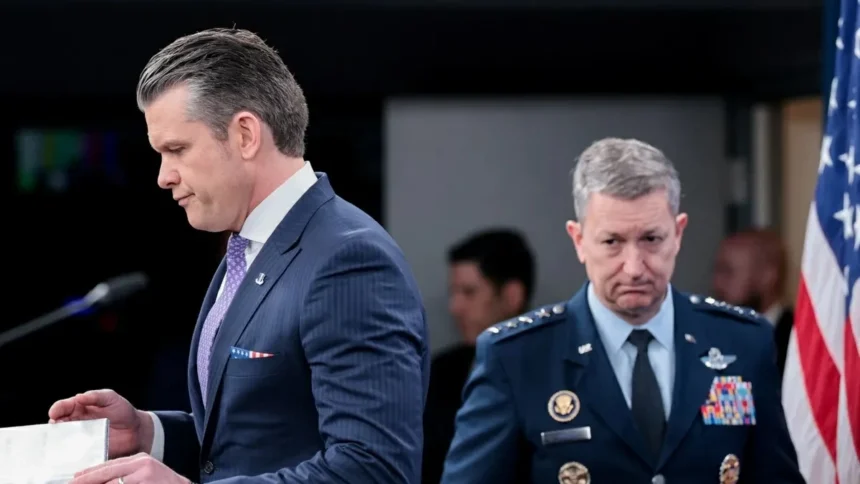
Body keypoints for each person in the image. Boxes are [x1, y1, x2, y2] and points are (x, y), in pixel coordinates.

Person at [48, 28, 429, 484]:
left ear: (245, 134)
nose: (164, 176)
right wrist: (149, 433)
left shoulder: (349, 259)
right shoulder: (248, 247)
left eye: (177, 150)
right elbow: (249, 444)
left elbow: (375, 469)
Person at [440, 138, 804, 483]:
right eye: (612, 241)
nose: (633, 267)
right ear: (579, 241)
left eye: (651, 239)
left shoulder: (741, 342)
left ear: (678, 234)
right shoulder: (517, 357)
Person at [423, 228, 535, 483]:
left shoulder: (555, 372)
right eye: (453, 293)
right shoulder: (440, 371)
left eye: (469, 292)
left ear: (511, 296)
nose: (455, 307)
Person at [712, 229, 794, 380]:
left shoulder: (797, 344)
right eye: (717, 271)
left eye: (728, 272)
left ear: (767, 276)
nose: (717, 284)